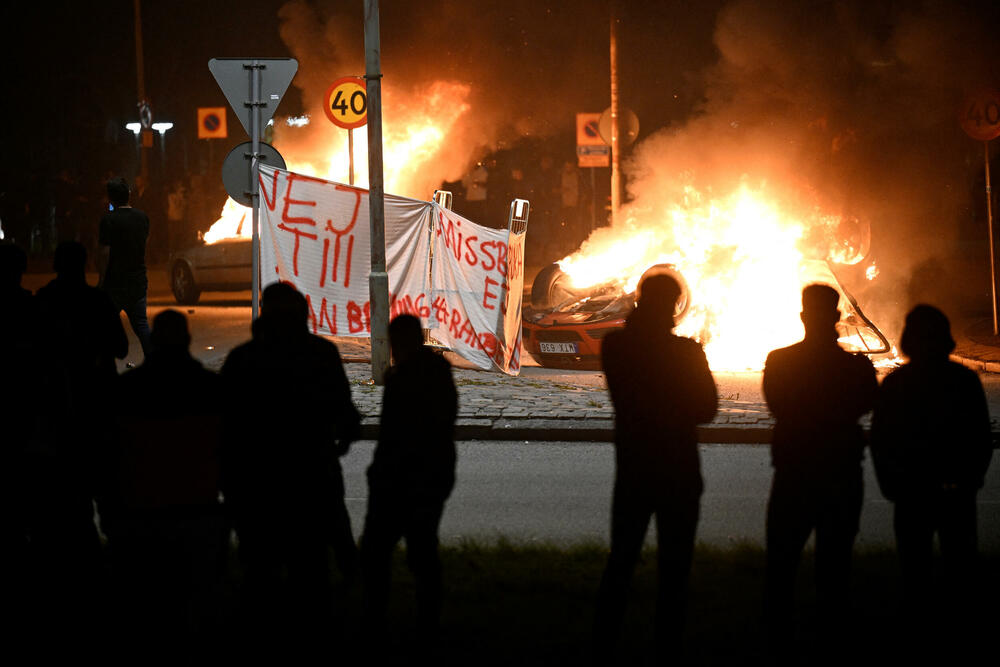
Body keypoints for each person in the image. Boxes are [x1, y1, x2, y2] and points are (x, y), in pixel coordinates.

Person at [220, 282, 360, 643]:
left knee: (260, 573)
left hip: (258, 484)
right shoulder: (321, 354)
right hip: (312, 479)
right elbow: (346, 414)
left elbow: (223, 425)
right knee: (311, 573)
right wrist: (337, 445)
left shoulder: (243, 359)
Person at [593, 271, 718, 664]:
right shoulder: (686, 353)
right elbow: (708, 410)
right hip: (679, 470)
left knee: (622, 559)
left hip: (634, 468)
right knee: (675, 566)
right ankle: (668, 648)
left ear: (640, 299)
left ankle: (603, 643)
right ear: (675, 306)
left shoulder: (616, 346)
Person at [761, 283, 877, 656]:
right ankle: (832, 637)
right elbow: (865, 405)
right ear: (838, 317)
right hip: (840, 472)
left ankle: (777, 639)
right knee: (835, 563)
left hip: (795, 471)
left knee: (782, 561)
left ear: (802, 317)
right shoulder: (857, 367)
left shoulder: (779, 360)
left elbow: (777, 406)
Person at [102, 309, 228, 651]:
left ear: (153, 342)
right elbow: (231, 457)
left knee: (143, 615)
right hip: (197, 513)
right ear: (187, 341)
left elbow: (108, 457)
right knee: (198, 611)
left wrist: (113, 514)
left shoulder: (125, 391)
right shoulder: (211, 389)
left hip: (139, 516)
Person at [870, 305, 992, 653]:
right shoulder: (964, 380)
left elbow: (881, 441)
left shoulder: (896, 383)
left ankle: (916, 634)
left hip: (911, 493)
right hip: (955, 492)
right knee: (960, 567)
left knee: (914, 569)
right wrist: (971, 479)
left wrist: (891, 485)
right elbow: (981, 438)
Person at [29, 241, 127, 645]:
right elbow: (121, 348)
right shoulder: (98, 301)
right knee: (106, 495)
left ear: (55, 265)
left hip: (58, 419)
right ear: (85, 265)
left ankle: (73, 577)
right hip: (97, 414)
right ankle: (112, 572)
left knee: (65, 500)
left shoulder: (43, 304)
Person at [360, 314, 458, 650]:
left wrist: (379, 474)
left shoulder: (402, 379)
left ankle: (376, 621)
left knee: (377, 551)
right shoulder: (439, 372)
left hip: (401, 479)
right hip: (433, 473)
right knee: (424, 550)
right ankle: (428, 623)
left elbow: (392, 436)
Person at [99, 176, 152, 356]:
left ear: (110, 197)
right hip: (137, 279)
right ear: (129, 195)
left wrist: (101, 279)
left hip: (115, 281)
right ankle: (156, 362)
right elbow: (145, 244)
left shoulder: (108, 220)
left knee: (106, 325)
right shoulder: (142, 217)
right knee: (141, 325)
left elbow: (105, 253)